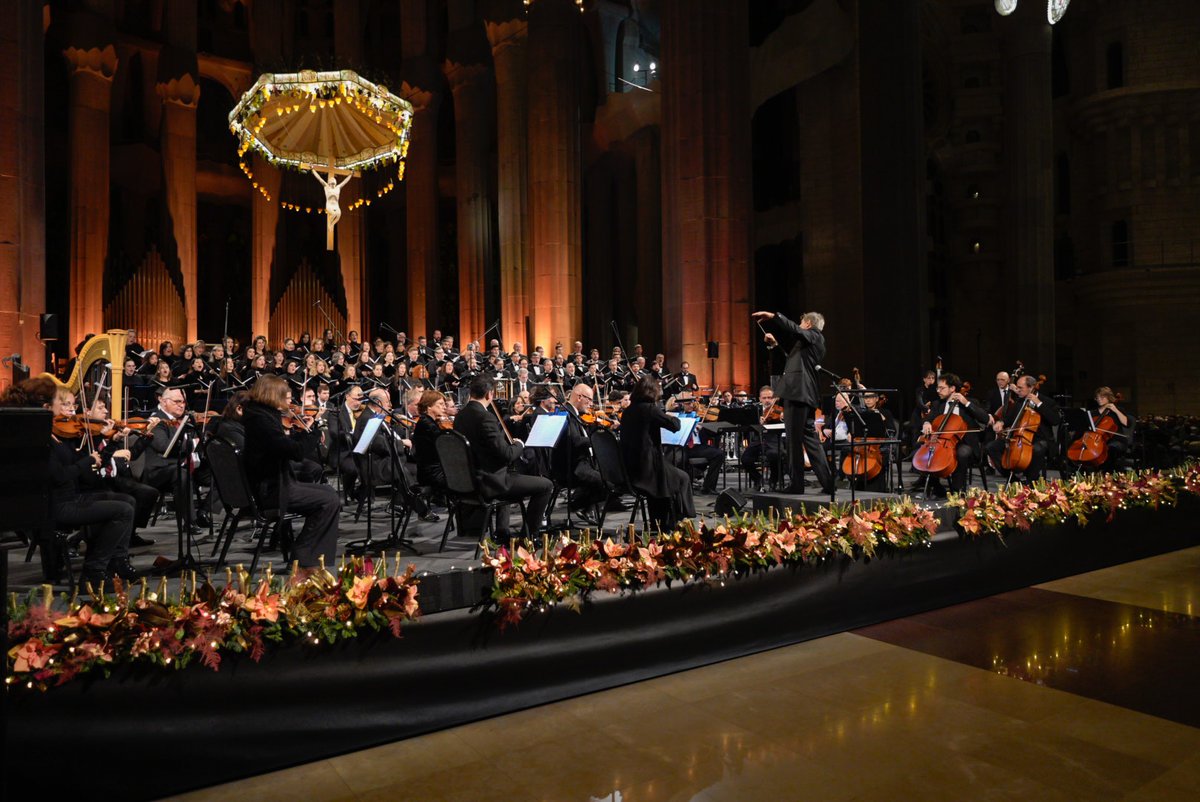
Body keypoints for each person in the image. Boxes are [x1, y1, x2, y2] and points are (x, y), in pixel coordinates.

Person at [241, 375, 340, 579]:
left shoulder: (259, 414)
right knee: (329, 499)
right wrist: (312, 434)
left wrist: (303, 435)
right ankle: (303, 560)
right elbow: (293, 451)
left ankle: (306, 557)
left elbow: (282, 444)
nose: (289, 402)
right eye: (286, 397)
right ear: (273, 395)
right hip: (271, 489)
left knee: (328, 492)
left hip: (276, 482)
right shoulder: (261, 419)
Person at [43, 385, 138, 590]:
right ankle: (94, 571)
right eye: (65, 404)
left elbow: (93, 465)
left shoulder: (65, 437)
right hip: (59, 505)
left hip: (74, 497)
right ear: (47, 407)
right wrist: (86, 461)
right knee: (123, 510)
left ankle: (116, 561)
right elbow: (59, 476)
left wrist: (109, 441)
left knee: (127, 500)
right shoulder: (45, 440)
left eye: (72, 404)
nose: (71, 410)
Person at [453, 375, 553, 541]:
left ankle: (503, 530)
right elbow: (507, 454)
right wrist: (519, 445)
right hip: (491, 482)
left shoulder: (460, 416)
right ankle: (528, 538)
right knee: (545, 485)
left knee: (516, 472)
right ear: (489, 395)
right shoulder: (486, 418)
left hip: (467, 481)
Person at [752, 309, 835, 496]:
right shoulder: (808, 344)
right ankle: (828, 483)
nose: (799, 326)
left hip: (799, 394)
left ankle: (797, 485)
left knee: (793, 441)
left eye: (802, 323)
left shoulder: (814, 335)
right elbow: (792, 364)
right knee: (810, 440)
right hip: (803, 394)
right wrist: (775, 345)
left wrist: (774, 317)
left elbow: (794, 330)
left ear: (808, 324)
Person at [620, 375, 696, 530]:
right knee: (683, 477)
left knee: (674, 475)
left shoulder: (628, 411)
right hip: (648, 470)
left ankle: (669, 520)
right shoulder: (649, 409)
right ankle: (680, 519)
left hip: (630, 469)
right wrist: (669, 412)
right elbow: (675, 425)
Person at [914, 372, 988, 495]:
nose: (938, 390)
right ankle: (937, 487)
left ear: (952, 388)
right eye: (937, 387)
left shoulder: (969, 402)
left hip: (965, 443)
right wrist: (926, 423)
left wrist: (966, 403)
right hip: (943, 443)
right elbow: (928, 418)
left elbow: (985, 418)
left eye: (942, 388)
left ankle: (958, 491)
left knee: (962, 452)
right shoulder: (938, 404)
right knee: (922, 450)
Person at [985, 375, 1062, 483]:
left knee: (1036, 450)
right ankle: (1014, 481)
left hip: (1040, 439)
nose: (1017, 390)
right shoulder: (1020, 401)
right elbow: (1010, 418)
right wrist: (1001, 423)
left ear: (1031, 388)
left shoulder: (1047, 401)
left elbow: (1055, 420)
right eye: (1017, 387)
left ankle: (1032, 481)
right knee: (991, 447)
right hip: (1019, 437)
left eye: (1020, 387)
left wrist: (1038, 403)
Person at [553, 382, 610, 521]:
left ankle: (582, 504)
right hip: (572, 466)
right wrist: (595, 439)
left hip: (581, 462)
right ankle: (577, 504)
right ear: (579, 397)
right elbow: (575, 441)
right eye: (589, 399)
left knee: (611, 475)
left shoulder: (574, 413)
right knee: (606, 481)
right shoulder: (565, 412)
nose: (591, 403)